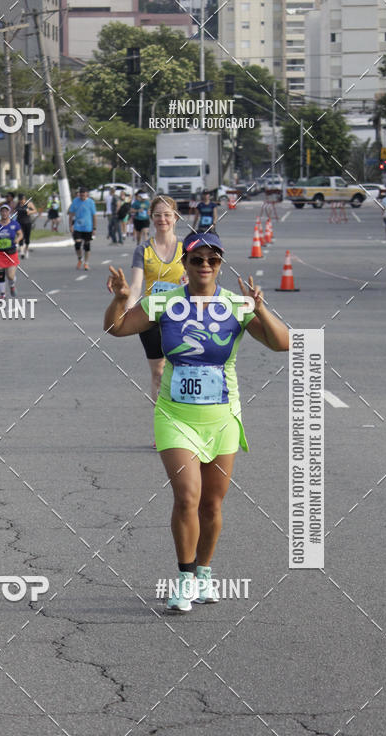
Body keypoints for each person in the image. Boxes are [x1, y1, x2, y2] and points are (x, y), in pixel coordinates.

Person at [104, 232, 289, 613]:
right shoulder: (165, 300)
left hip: (222, 417)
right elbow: (116, 329)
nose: (205, 265)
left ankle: (204, 571)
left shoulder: (237, 305)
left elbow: (282, 343)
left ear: (220, 265)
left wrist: (260, 309)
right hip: (175, 415)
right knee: (187, 496)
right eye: (197, 259)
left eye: (213, 260)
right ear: (184, 265)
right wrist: (121, 300)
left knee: (212, 505)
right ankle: (185, 578)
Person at [107, 195, 185, 409]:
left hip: (182, 317)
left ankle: (183, 424)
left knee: (181, 371)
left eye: (167, 215)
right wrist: (128, 308)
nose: (163, 219)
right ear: (151, 217)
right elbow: (136, 285)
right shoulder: (143, 250)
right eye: (158, 215)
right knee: (158, 372)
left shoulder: (187, 248)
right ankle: (162, 428)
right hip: (152, 317)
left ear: (176, 217)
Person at [0, 203, 23, 299]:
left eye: (6, 211)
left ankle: (12, 285)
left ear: (9, 212)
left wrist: (17, 239)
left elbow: (20, 234)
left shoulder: (14, 224)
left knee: (11, 276)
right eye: (2, 211)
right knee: (0, 274)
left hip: (11, 253)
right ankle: (2, 294)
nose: (4, 213)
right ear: (0, 212)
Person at [68, 186, 97, 270]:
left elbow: (94, 215)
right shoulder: (75, 201)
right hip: (77, 227)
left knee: (87, 246)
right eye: (81, 195)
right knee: (77, 244)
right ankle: (80, 258)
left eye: (84, 194)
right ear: (79, 194)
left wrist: (94, 228)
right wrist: (70, 225)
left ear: (86, 194)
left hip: (88, 227)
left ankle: (86, 263)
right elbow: (71, 214)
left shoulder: (91, 202)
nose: (82, 196)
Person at [14, 194, 37, 258]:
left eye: (23, 199)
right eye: (21, 200)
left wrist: (30, 211)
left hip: (27, 222)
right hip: (19, 222)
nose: (22, 201)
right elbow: (14, 210)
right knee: (20, 236)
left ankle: (26, 250)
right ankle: (21, 251)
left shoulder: (29, 204)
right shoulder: (17, 204)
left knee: (27, 238)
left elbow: (35, 210)